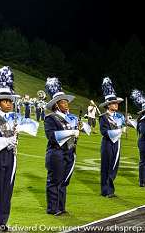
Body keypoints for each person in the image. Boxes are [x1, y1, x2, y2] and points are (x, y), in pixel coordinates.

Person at [0, 66, 39, 231]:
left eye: (10, 101)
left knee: (7, 190)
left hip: (11, 157)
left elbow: (34, 128)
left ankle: (2, 222)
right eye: (6, 100)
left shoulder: (14, 118)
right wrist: (7, 141)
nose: (9, 104)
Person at [44, 77, 80, 215]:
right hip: (56, 152)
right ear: (56, 105)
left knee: (64, 181)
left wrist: (76, 131)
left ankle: (61, 207)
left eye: (66, 101)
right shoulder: (50, 118)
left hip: (69, 152)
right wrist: (71, 131)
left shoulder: (70, 118)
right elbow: (51, 136)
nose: (66, 104)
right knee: (55, 180)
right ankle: (52, 208)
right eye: (63, 102)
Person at [99, 77, 125, 197]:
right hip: (108, 143)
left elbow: (123, 125)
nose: (116, 105)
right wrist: (119, 131)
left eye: (117, 103)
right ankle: (106, 190)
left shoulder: (120, 116)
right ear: (108, 105)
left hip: (117, 143)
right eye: (114, 103)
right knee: (106, 166)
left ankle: (110, 188)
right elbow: (104, 131)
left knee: (114, 166)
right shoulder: (103, 117)